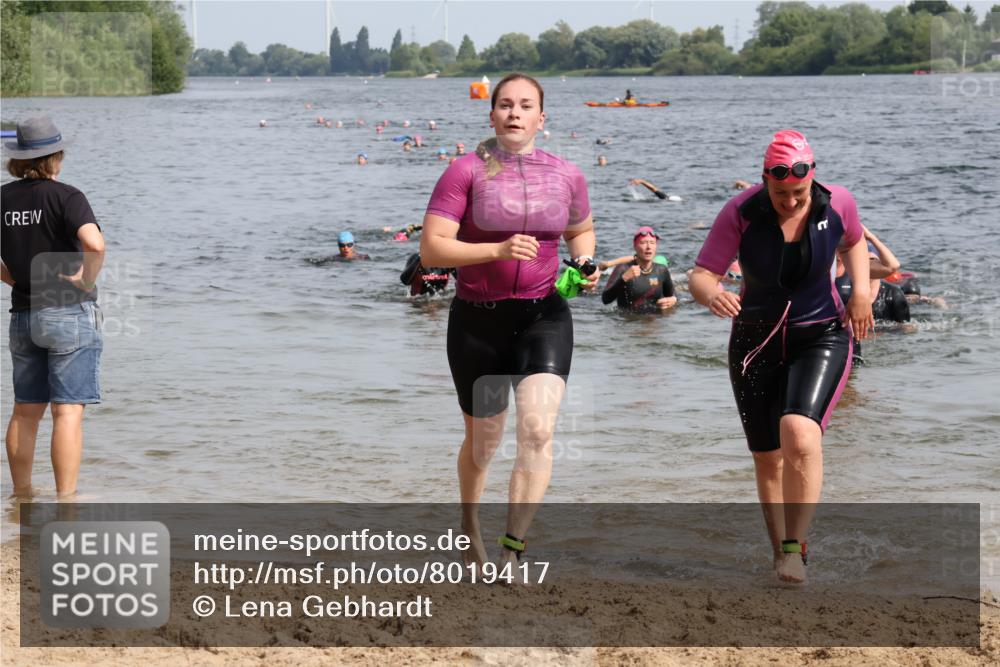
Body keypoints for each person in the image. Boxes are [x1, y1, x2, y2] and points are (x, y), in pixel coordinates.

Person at [419, 73, 598, 575]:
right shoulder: (464, 172)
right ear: (491, 114)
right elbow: (432, 248)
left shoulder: (567, 175)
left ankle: (513, 548)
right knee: (484, 443)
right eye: (504, 105)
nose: (514, 113)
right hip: (478, 320)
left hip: (544, 314)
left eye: (525, 106)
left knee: (539, 429)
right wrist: (495, 248)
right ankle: (469, 524)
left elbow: (581, 231)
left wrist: (585, 265)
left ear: (542, 118)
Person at [688, 130, 873, 585]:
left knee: (800, 432)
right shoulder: (741, 212)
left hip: (823, 335)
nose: (790, 202)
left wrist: (862, 293)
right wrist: (711, 294)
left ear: (813, 179)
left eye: (798, 193)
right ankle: (781, 554)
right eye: (780, 193)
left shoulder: (838, 202)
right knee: (767, 457)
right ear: (763, 180)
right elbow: (701, 274)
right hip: (755, 342)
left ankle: (796, 545)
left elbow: (853, 243)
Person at [1, 117, 106, 501]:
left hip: (23, 316)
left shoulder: (3, 197)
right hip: (67, 311)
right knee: (67, 413)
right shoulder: (67, 196)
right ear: (55, 156)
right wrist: (86, 280)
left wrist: (8, 275)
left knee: (25, 413)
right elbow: (94, 244)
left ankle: (22, 497)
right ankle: (66, 504)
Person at [601, 227, 677, 313]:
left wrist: (673, 300)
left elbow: (673, 296)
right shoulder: (623, 269)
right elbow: (605, 300)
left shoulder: (661, 270)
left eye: (652, 243)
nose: (648, 247)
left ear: (656, 246)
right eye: (643, 243)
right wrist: (623, 279)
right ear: (635, 247)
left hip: (654, 322)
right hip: (630, 322)